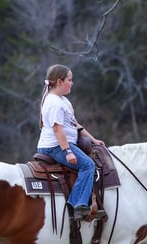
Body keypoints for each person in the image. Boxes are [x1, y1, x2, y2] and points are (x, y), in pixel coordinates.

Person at [37, 64, 106, 221]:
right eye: (69, 80)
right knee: (88, 165)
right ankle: (78, 205)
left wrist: (93, 139)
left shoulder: (63, 101)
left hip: (62, 145)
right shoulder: (54, 103)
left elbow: (75, 124)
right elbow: (57, 129)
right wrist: (67, 151)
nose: (72, 83)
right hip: (54, 147)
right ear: (59, 82)